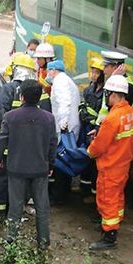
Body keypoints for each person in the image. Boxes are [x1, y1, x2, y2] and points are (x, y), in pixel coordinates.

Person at [0, 79, 57, 249]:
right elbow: (52, 144)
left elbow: (1, 141)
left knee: (15, 206)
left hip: (16, 170)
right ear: (39, 98)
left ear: (21, 97)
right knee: (42, 207)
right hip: (40, 170)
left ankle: (11, 240)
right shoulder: (48, 118)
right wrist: (50, 165)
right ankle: (43, 242)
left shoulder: (10, 117)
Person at [0, 53, 36, 214]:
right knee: (20, 180)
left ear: (15, 69)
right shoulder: (38, 91)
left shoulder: (9, 88)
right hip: (26, 148)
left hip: (7, 147)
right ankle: (15, 210)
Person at [87, 75, 133, 250]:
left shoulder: (112, 117)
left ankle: (109, 235)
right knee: (117, 197)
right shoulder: (132, 114)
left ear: (114, 94)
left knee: (107, 198)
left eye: (107, 94)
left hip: (110, 165)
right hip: (123, 164)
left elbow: (100, 146)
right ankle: (112, 225)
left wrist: (89, 151)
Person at [46, 59, 81, 204]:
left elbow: (64, 102)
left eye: (49, 71)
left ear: (53, 70)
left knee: (61, 161)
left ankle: (59, 196)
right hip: (69, 127)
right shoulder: (66, 81)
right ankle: (62, 193)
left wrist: (63, 122)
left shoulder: (60, 81)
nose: (48, 74)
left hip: (65, 128)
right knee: (63, 160)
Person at [79, 58, 105, 201]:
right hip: (86, 127)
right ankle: (84, 188)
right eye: (93, 72)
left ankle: (94, 194)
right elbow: (83, 104)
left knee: (95, 163)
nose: (93, 75)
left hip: (96, 130)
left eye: (97, 72)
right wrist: (82, 112)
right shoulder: (90, 88)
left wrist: (94, 122)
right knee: (86, 157)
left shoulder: (106, 93)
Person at [96, 51, 130, 125]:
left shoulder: (126, 86)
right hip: (104, 125)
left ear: (116, 67)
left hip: (114, 127)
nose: (103, 70)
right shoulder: (111, 80)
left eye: (106, 66)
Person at [33, 42, 55, 112]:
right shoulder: (41, 70)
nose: (37, 61)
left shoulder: (53, 73)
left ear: (47, 59)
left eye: (39, 58)